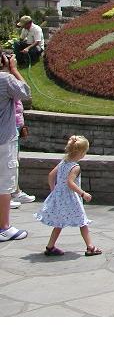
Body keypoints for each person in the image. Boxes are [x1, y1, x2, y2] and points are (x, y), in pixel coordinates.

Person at [34, 135, 102, 256]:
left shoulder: (63, 162)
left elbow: (51, 175)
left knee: (59, 222)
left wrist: (54, 191)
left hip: (59, 196)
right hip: (70, 198)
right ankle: (90, 247)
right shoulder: (75, 167)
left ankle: (50, 247)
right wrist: (83, 193)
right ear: (81, 153)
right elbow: (70, 183)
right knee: (82, 221)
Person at [0, 52, 31, 242]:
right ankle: (4, 227)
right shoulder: (5, 79)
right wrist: (13, 69)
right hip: (4, 139)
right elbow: (25, 92)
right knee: (4, 185)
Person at [11, 97, 35, 206]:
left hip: (15, 128)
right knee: (8, 162)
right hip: (8, 128)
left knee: (15, 161)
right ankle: (6, 195)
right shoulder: (7, 89)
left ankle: (15, 192)